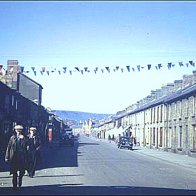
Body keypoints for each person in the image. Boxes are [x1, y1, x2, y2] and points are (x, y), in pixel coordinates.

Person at [5, 125, 28, 190]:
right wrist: (7, 157)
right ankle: (14, 186)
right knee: (14, 172)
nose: (18, 132)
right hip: (14, 157)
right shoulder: (12, 137)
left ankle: (20, 179)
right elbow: (8, 147)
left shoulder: (25, 137)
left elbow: (27, 145)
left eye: (19, 131)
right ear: (15, 131)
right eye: (17, 130)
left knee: (22, 171)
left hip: (22, 157)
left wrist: (23, 139)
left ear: (21, 131)